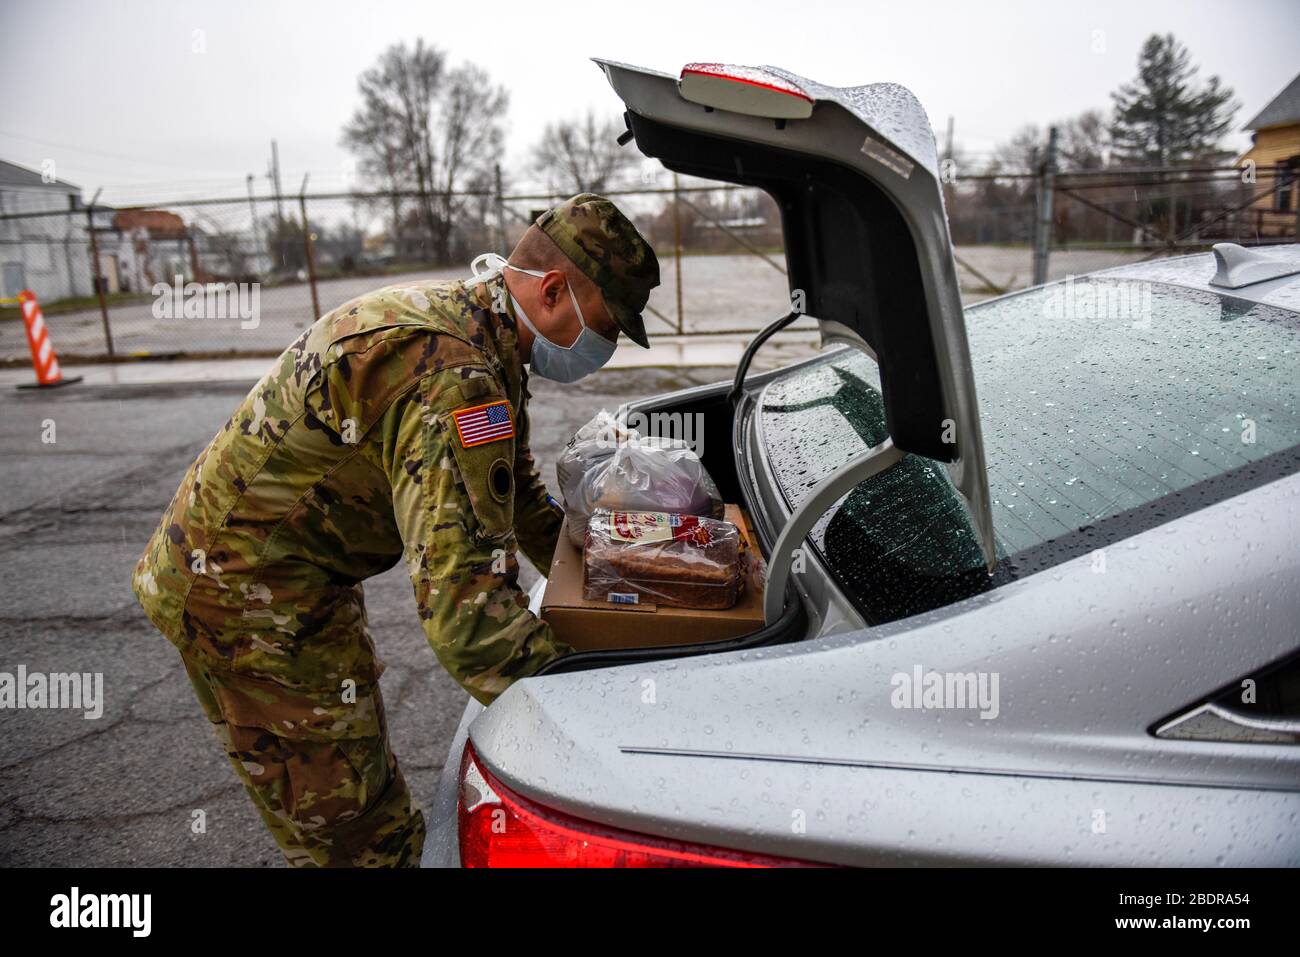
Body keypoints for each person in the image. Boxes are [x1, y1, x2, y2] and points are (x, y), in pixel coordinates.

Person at [130, 193, 660, 866]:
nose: (605, 349)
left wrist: (608, 559)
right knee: (360, 840)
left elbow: (517, 497)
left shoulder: (480, 336)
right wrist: (596, 707)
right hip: (246, 597)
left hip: (285, 572)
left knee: (364, 796)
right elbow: (466, 621)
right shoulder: (454, 371)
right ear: (554, 290)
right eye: (607, 327)